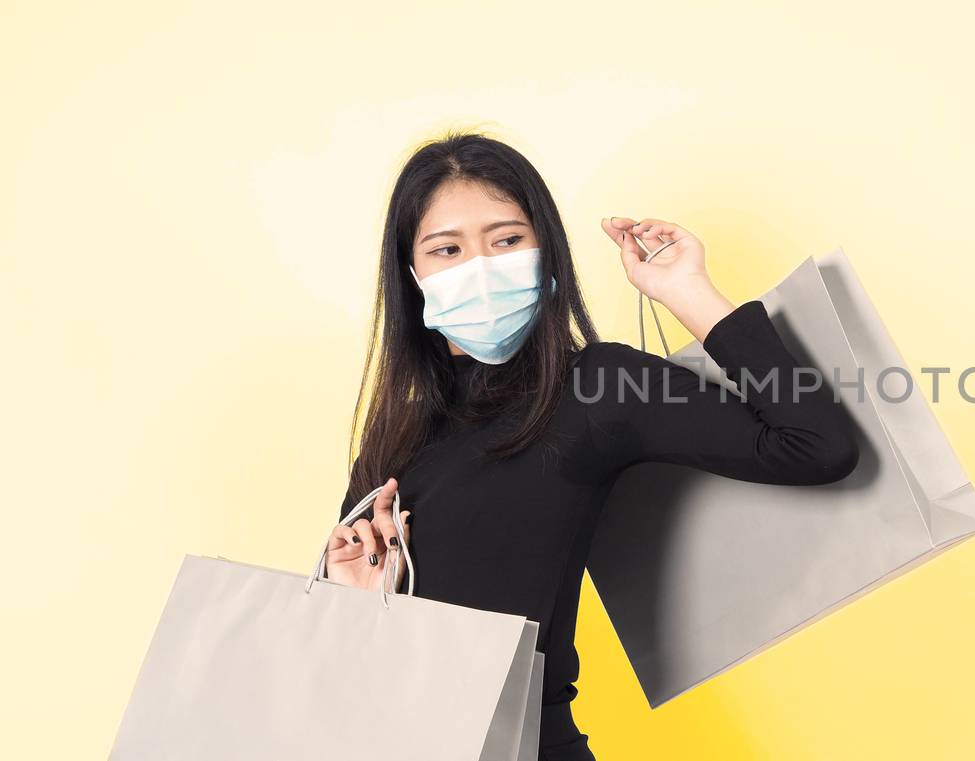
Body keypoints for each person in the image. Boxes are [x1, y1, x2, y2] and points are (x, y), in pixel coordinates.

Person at [319, 131, 859, 760]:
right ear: (413, 276)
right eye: (447, 249)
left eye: (507, 240)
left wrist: (687, 291)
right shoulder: (396, 436)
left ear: (546, 252)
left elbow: (815, 445)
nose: (481, 268)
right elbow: (347, 667)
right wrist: (357, 604)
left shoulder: (598, 387)